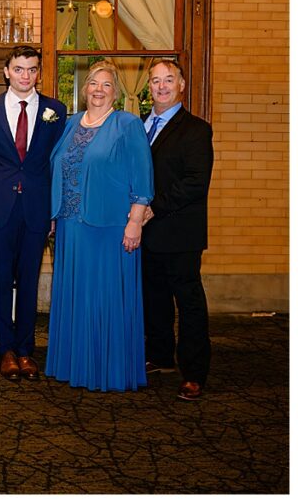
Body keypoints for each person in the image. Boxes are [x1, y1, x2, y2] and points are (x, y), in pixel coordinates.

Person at [47, 60, 154, 392]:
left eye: (107, 85)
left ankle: (108, 370)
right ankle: (74, 365)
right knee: (75, 296)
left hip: (108, 228)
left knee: (106, 298)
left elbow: (143, 180)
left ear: (116, 92)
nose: (99, 90)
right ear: (85, 88)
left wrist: (135, 222)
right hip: (70, 226)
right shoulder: (70, 123)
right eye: (94, 83)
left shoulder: (128, 124)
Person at [0, 45, 66, 381]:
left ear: (38, 72)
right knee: (0, 278)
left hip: (36, 207)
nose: (25, 75)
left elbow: (56, 163)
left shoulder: (56, 110)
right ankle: (6, 351)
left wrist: (54, 209)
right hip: (0, 207)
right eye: (18, 69)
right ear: (6, 71)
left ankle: (27, 350)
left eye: (31, 69)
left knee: (29, 279)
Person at [140, 59, 214, 402]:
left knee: (189, 303)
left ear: (182, 85)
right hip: (147, 232)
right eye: (156, 81)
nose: (162, 86)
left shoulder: (196, 129)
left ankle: (194, 372)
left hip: (179, 231)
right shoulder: (140, 127)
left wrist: (154, 207)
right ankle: (160, 357)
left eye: (169, 80)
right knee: (153, 298)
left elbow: (196, 184)